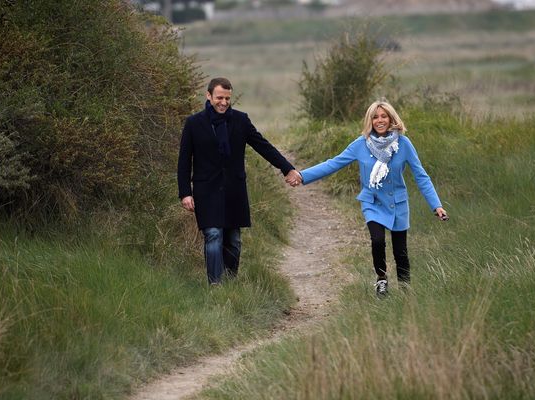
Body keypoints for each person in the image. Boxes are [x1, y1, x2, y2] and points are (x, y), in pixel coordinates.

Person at [287, 100, 448, 297]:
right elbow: (333, 163)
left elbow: (421, 176)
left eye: (383, 116)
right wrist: (303, 175)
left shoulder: (403, 144)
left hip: (398, 203)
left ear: (391, 119)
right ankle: (381, 279)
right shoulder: (360, 144)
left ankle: (406, 291)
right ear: (369, 121)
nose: (379, 120)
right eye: (375, 117)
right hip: (373, 202)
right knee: (377, 240)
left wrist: (436, 205)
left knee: (401, 251)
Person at [178, 77, 301, 285]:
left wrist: (287, 168)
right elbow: (184, 161)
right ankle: (215, 285)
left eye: (227, 98)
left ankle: (230, 282)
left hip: (234, 190)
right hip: (206, 189)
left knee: (233, 240)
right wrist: (185, 192)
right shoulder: (194, 124)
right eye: (219, 98)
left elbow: (263, 146)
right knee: (213, 234)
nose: (224, 102)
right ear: (209, 96)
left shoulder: (240, 121)